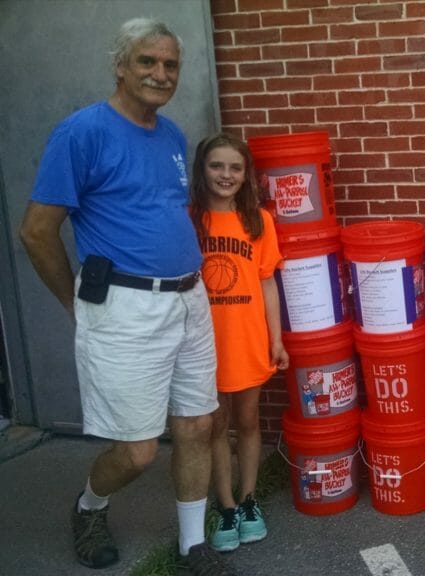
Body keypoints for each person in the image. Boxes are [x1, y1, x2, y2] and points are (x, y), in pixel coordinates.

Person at [19, 18, 235, 575]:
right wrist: (76, 303)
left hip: (189, 300)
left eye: (170, 65)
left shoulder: (170, 135)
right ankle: (89, 506)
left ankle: (193, 546)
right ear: (120, 65)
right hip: (124, 307)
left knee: (198, 424)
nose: (160, 74)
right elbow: (37, 231)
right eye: (147, 61)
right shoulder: (81, 132)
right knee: (138, 449)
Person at [189, 132, 288, 552]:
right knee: (215, 425)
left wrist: (277, 339)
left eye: (235, 167)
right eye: (216, 166)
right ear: (202, 169)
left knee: (248, 422)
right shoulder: (189, 218)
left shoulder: (258, 220)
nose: (225, 175)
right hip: (202, 339)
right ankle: (225, 505)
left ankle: (248, 500)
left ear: (246, 174)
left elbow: (267, 282)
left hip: (246, 336)